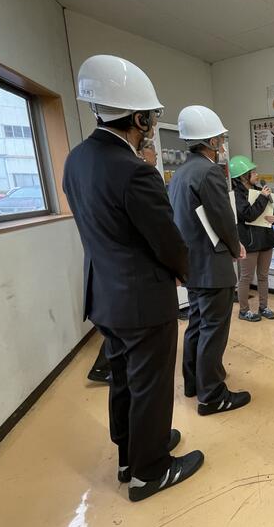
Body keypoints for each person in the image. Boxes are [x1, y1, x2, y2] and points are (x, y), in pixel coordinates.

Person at [64, 55, 203, 502]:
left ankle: (130, 455)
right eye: (150, 118)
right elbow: (167, 240)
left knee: (124, 377)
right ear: (139, 118)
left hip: (105, 296)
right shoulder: (134, 171)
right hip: (143, 300)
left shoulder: (75, 160)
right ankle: (150, 472)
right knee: (151, 384)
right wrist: (183, 272)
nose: (151, 126)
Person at [168, 105, 251, 416]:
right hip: (213, 266)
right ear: (212, 141)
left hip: (192, 265)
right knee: (214, 329)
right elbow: (223, 218)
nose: (222, 144)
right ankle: (212, 395)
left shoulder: (180, 174)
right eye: (220, 139)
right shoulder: (209, 172)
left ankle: (194, 382)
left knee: (197, 324)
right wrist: (235, 246)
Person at [86, 139, 160, 385]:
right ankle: (102, 368)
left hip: (108, 277)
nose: (156, 159)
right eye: (153, 154)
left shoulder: (87, 167)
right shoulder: (136, 175)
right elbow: (156, 232)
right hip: (131, 277)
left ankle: (106, 369)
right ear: (142, 153)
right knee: (127, 341)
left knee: (119, 337)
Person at [229, 155, 274, 323]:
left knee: (263, 276)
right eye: (253, 172)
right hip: (249, 243)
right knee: (246, 277)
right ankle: (244, 311)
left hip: (266, 240)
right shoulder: (236, 195)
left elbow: (272, 212)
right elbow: (248, 215)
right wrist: (263, 197)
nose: (257, 175)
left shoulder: (259, 190)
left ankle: (263, 307)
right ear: (243, 176)